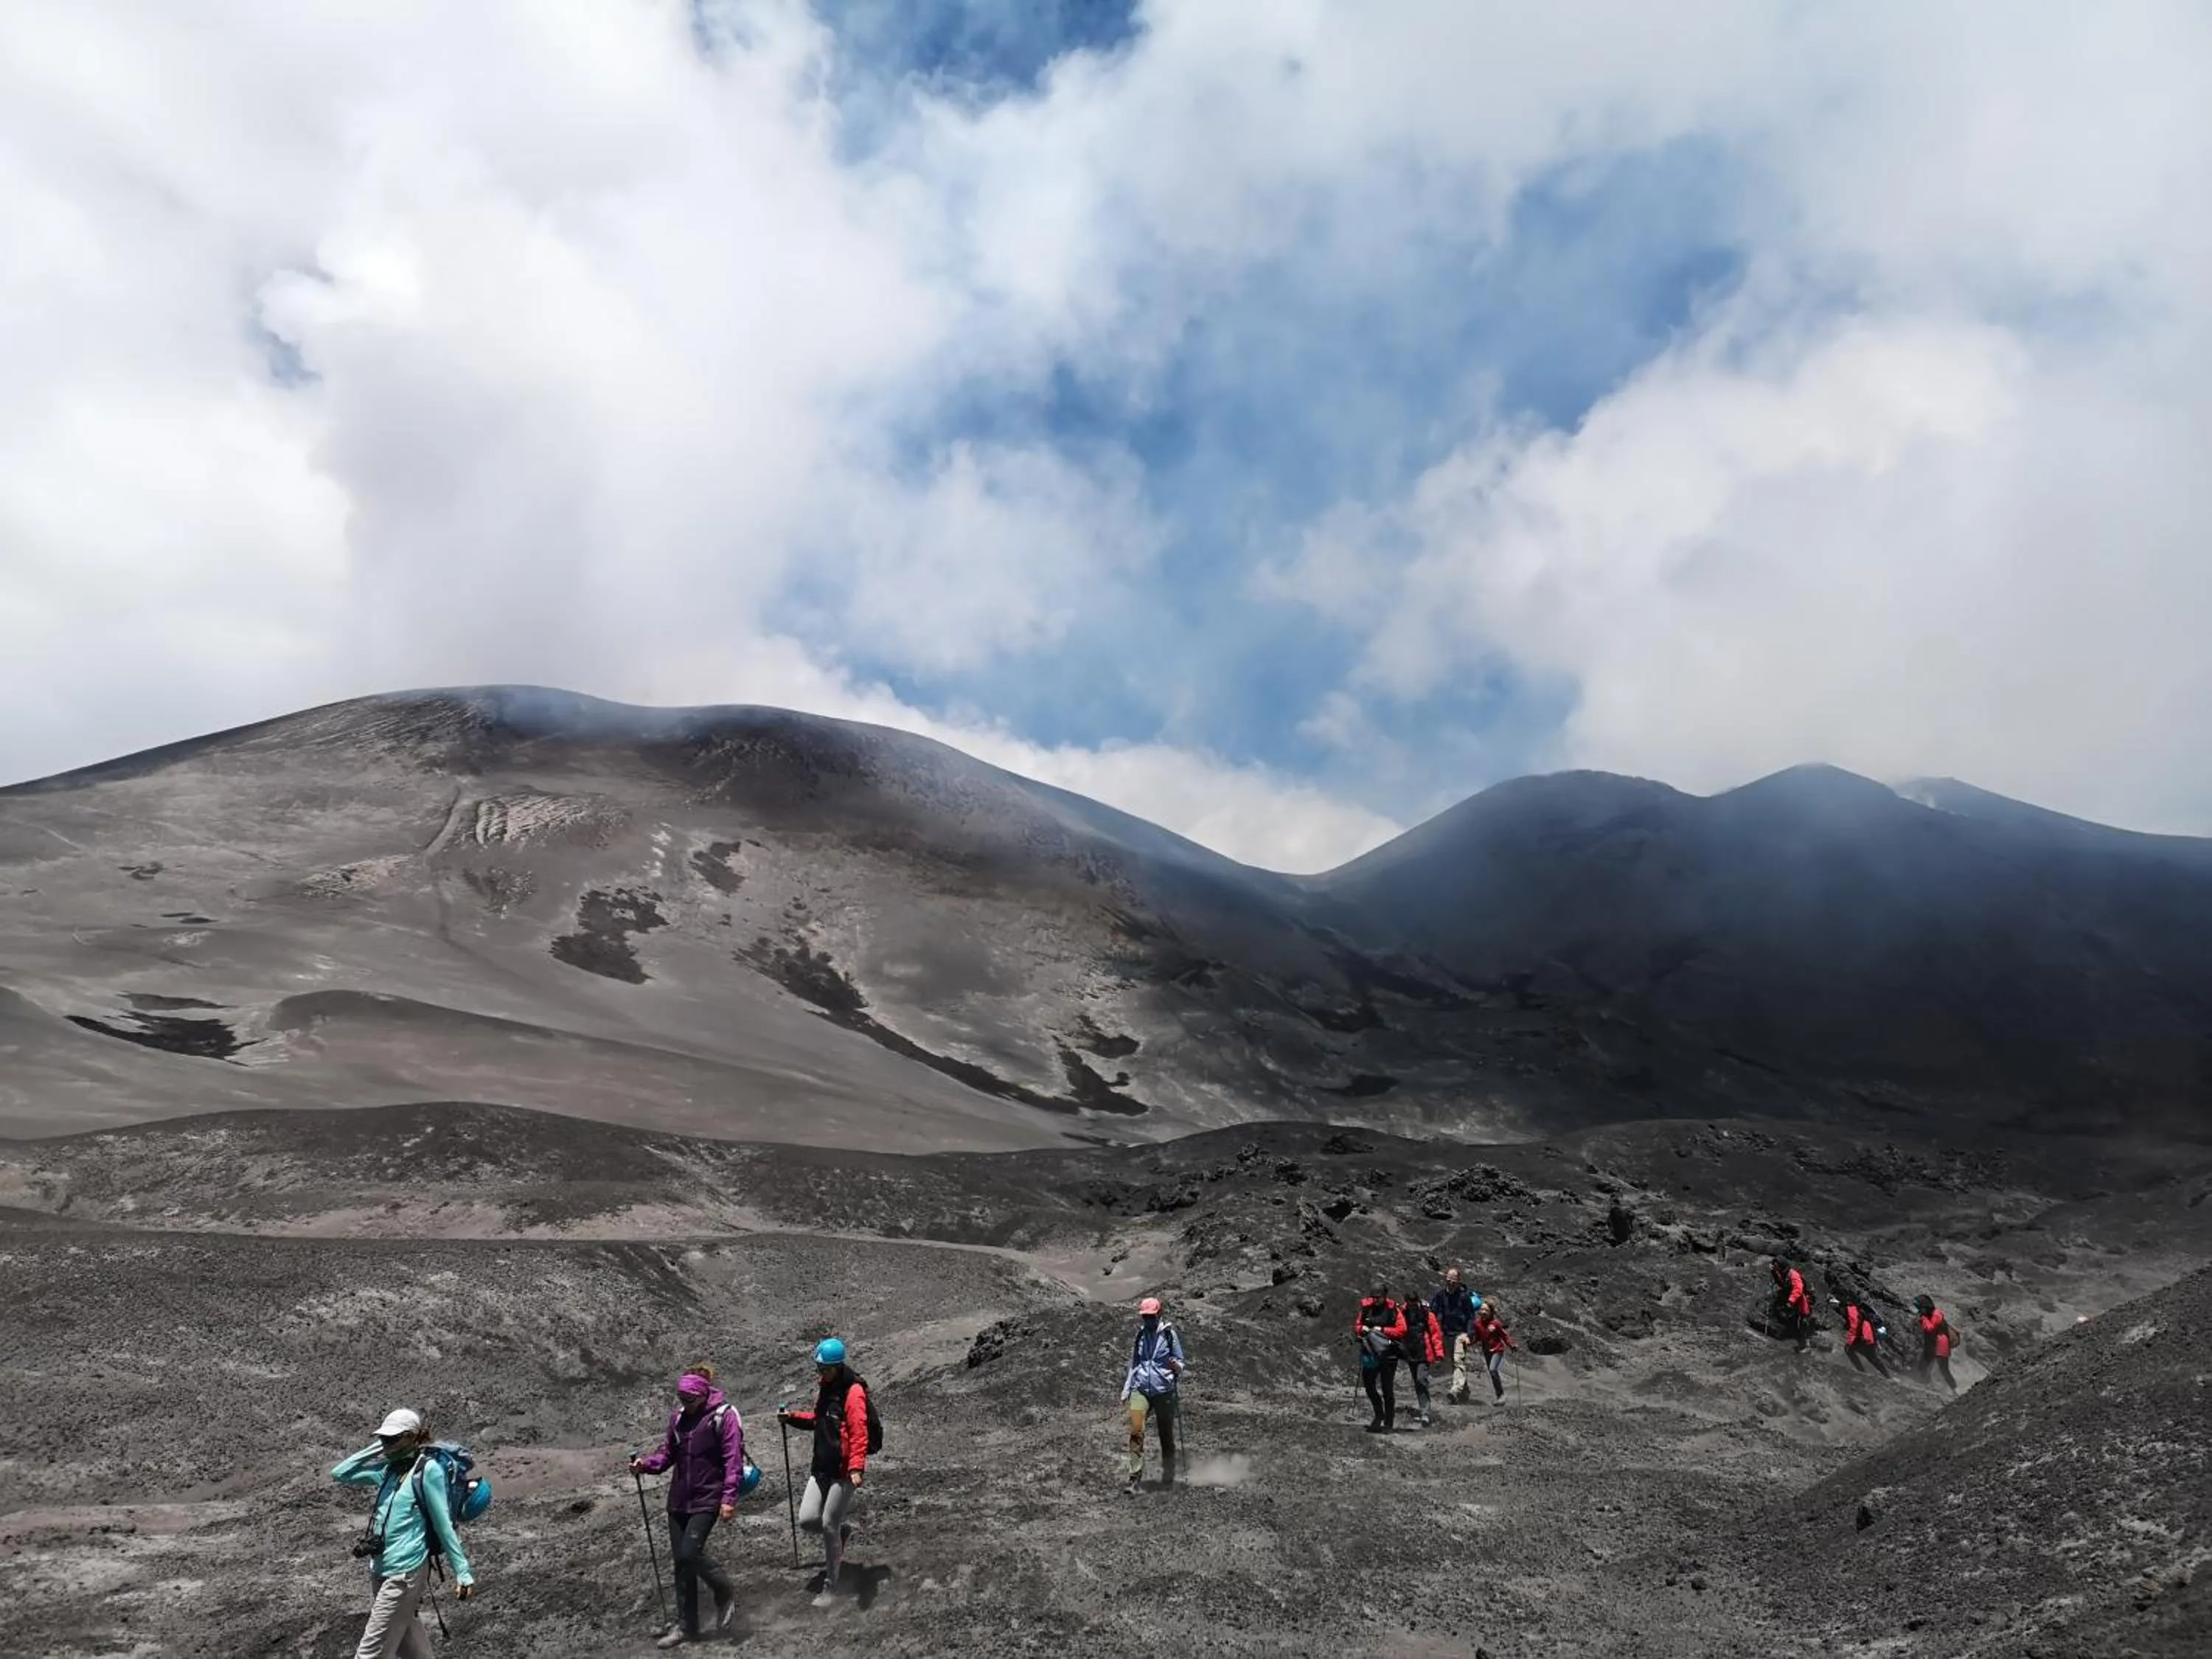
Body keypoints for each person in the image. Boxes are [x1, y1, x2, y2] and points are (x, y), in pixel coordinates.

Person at [332, 1408, 476, 1659]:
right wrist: (380, 1447)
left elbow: (443, 1525)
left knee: (371, 1653)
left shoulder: (427, 1471)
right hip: (380, 1570)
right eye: (383, 1438)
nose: (387, 1443)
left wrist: (462, 1571)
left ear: (411, 1437)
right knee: (412, 1649)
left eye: (393, 1438)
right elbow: (341, 1473)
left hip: (405, 1573)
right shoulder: (387, 1471)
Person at [630, 1365, 742, 1646]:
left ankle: (724, 1591)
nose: (685, 1404)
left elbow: (733, 1460)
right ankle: (687, 1627)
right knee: (681, 1564)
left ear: (703, 1395)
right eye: (681, 1399)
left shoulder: (723, 1417)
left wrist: (729, 1499)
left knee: (690, 1553)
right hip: (679, 1501)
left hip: (708, 1498)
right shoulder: (678, 1419)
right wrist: (645, 1465)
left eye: (689, 1400)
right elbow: (668, 1454)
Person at [779, 1338, 870, 1609]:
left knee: (829, 1524)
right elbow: (819, 1420)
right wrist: (792, 1418)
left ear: (837, 1366)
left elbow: (859, 1432)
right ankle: (841, 1532)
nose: (820, 1373)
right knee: (808, 1520)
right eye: (818, 1369)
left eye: (824, 1369)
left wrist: (856, 1467)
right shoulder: (826, 1388)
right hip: (821, 1467)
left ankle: (831, 1587)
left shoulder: (853, 1393)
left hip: (843, 1470)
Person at [1119, 1295, 1185, 1495]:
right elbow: (1135, 1363)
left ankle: (1168, 1476)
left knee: (1166, 1434)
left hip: (1164, 1391)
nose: (1147, 1320)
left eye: (1151, 1317)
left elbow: (1181, 1363)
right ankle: (1134, 1479)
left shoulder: (1169, 1336)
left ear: (1159, 1314)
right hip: (1141, 1390)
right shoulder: (1140, 1336)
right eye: (1144, 1317)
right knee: (1136, 1432)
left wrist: (1176, 1366)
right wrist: (1127, 1388)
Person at [1353, 1284, 1407, 1433]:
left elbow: (1402, 1330)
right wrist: (1361, 1329)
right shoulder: (1366, 1308)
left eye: (1379, 1297)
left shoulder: (1393, 1309)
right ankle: (1379, 1414)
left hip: (1389, 1354)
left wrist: (1383, 1330)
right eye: (1374, 1297)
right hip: (1370, 1352)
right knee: (1369, 1386)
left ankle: (1388, 1423)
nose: (1376, 1300)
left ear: (1385, 1296)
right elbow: (1357, 1325)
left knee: (1387, 1388)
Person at [1430, 1267, 1484, 1404]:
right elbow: (1433, 1312)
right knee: (1451, 1364)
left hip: (1461, 1334)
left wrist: (1469, 1334)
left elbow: (1471, 1317)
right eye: (1448, 1280)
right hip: (1446, 1333)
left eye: (1453, 1281)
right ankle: (1465, 1391)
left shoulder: (1464, 1297)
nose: (1451, 1283)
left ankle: (1455, 1391)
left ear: (1458, 1281)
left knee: (1458, 1360)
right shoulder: (1440, 1295)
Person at [1401, 1293, 1444, 1427]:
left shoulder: (1426, 1314)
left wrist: (1439, 1353)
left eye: (1414, 1302)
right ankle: (1423, 1410)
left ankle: (1425, 1413)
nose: (1413, 1305)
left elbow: (1435, 1333)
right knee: (1417, 1382)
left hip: (1424, 1352)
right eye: (1410, 1303)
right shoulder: (1402, 1313)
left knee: (1421, 1380)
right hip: (1410, 1352)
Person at [1833, 1297, 1890, 1377]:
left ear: (1843, 1307)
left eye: (1840, 1309)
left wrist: (1850, 1341)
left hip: (1865, 1337)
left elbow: (1855, 1327)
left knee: (1849, 1349)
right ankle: (1887, 1376)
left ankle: (1861, 1371)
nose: (1841, 1312)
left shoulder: (1852, 1311)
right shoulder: (1854, 1310)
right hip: (1868, 1337)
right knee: (1871, 1357)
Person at [1470, 1304, 1516, 1403]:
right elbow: (1477, 1337)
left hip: (1498, 1350)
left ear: (1491, 1312)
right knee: (1493, 1373)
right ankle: (1499, 1397)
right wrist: (1469, 1343)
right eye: (1482, 1310)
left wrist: (1511, 1345)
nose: (1483, 1312)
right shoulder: (1477, 1324)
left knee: (1492, 1370)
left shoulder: (1496, 1324)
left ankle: (1502, 1396)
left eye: (1486, 1310)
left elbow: (1504, 1336)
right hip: (1486, 1351)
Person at [1914, 1295, 1958, 1392]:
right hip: (1933, 1344)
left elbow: (1931, 1328)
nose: (1919, 1310)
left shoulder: (1936, 1314)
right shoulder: (1929, 1315)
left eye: (1920, 1308)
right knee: (1924, 1364)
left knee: (1943, 1369)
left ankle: (1954, 1390)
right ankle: (1927, 1384)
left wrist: (1923, 1319)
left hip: (1941, 1345)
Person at [1771, 1256, 1815, 1350]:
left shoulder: (1793, 1275)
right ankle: (1793, 1331)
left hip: (1801, 1298)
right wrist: (1774, 1273)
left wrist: (1791, 1301)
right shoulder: (1783, 1274)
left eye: (1777, 1266)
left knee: (1804, 1318)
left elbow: (1798, 1289)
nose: (1776, 1268)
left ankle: (1805, 1343)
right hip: (1790, 1296)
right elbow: (1781, 1283)